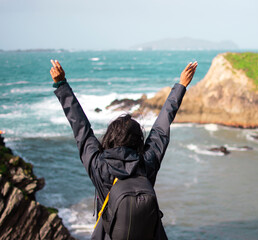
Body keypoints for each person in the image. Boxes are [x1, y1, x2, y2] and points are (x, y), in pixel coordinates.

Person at [50, 59, 197, 240]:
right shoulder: (147, 162)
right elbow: (161, 127)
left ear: (110, 138)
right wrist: (181, 86)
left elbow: (81, 128)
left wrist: (62, 85)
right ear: (138, 141)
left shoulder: (99, 165)